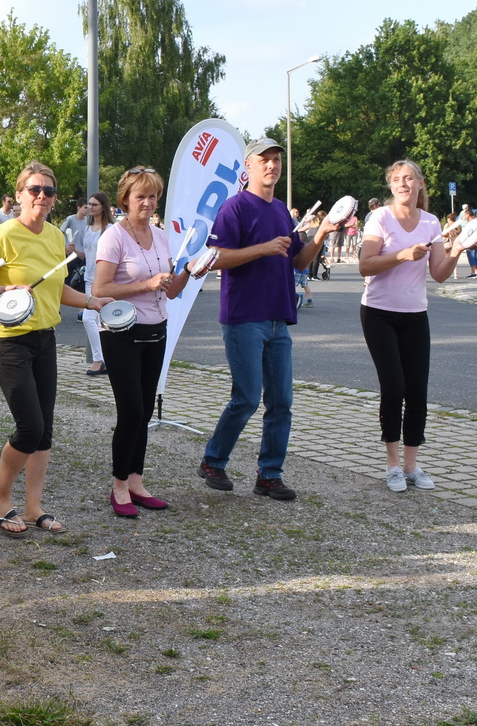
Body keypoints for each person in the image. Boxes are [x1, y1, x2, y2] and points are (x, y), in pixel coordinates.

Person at [0, 161, 115, 536]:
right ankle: (0, 499)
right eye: (34, 189)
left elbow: (56, 289)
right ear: (18, 195)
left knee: (45, 429)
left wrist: (90, 301)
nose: (42, 196)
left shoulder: (54, 237)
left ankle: (34, 507)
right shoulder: (2, 236)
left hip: (44, 338)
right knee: (30, 426)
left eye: (48, 191)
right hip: (7, 338)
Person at [197, 139, 339, 502]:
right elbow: (215, 258)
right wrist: (262, 248)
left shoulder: (281, 212)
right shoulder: (235, 207)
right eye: (265, 160)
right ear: (248, 167)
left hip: (278, 318)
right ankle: (214, 461)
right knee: (246, 397)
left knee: (281, 402)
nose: (272, 165)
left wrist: (321, 234)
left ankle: (269, 475)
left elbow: (299, 262)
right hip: (244, 316)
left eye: (276, 160)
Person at [90, 168, 198, 517]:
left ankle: (136, 480)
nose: (148, 203)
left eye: (153, 197)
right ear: (125, 199)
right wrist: (147, 284)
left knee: (146, 410)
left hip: (156, 329)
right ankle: (119, 485)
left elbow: (171, 289)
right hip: (122, 333)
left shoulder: (161, 235)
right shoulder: (113, 236)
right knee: (131, 411)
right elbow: (100, 289)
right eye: (141, 197)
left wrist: (191, 272)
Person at [357, 160, 458, 494]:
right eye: (396, 179)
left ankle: (412, 466)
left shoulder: (431, 222)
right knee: (394, 387)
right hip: (379, 313)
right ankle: (392, 465)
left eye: (409, 178)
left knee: (417, 392)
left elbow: (440, 273)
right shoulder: (380, 218)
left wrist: (458, 249)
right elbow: (365, 265)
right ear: (390, 186)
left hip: (415, 314)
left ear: (420, 184)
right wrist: (402, 255)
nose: (402, 184)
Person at [75, 191, 112, 376]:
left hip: (104, 280)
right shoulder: (88, 228)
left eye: (94, 204)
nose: (90, 207)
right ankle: (103, 359)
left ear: (103, 206)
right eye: (89, 204)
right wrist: (74, 251)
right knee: (91, 319)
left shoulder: (111, 229)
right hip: (89, 278)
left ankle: (101, 360)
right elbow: (86, 255)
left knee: (99, 320)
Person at [442, 205, 477, 280]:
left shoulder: (472, 223)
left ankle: (474, 273)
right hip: (474, 241)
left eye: (465, 215)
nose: (464, 216)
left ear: (468, 215)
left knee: (471, 257)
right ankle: (476, 272)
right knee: (474, 256)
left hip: (471, 241)